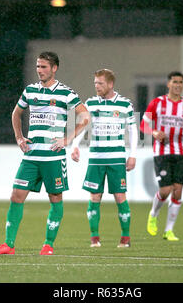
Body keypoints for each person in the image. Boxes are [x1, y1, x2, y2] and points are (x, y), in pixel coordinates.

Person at [0, 51, 90, 256]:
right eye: (37, 66)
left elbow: (85, 116)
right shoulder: (30, 91)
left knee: (55, 198)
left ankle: (48, 244)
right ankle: (8, 244)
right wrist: (19, 137)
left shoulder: (65, 93)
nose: (39, 70)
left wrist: (68, 139)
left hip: (53, 157)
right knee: (16, 196)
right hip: (32, 155)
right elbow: (16, 113)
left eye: (43, 67)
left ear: (54, 68)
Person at [71, 69, 138, 248]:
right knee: (95, 196)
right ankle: (95, 238)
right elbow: (83, 125)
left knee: (120, 196)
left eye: (100, 83)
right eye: (95, 83)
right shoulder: (91, 103)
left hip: (116, 157)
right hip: (96, 158)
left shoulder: (124, 104)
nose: (97, 86)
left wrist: (133, 154)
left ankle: (125, 238)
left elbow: (133, 130)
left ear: (110, 84)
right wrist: (75, 145)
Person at [140, 71, 183, 242]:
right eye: (175, 82)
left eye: (181, 82)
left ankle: (169, 230)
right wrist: (154, 132)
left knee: (178, 191)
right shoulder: (157, 103)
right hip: (162, 152)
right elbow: (143, 124)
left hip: (180, 152)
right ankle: (153, 214)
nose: (178, 85)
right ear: (168, 84)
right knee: (166, 190)